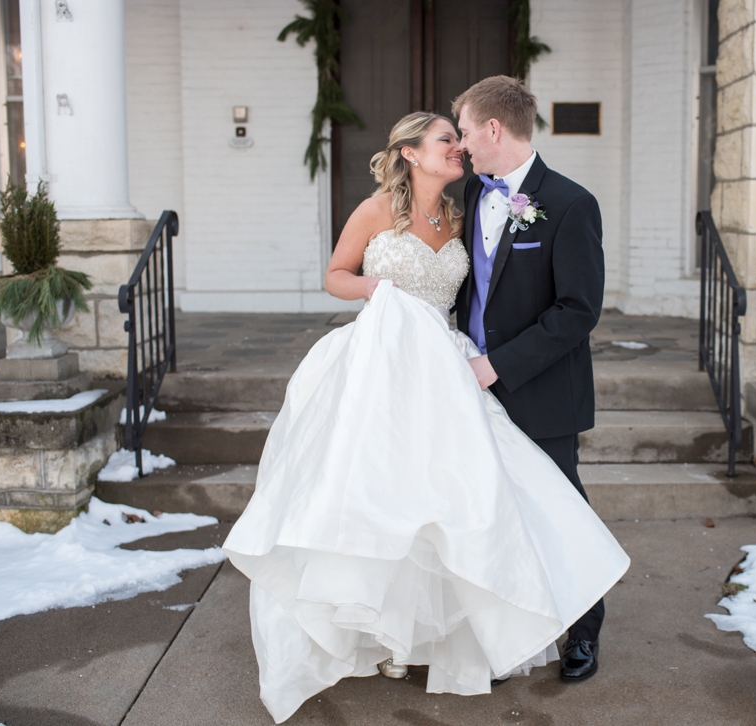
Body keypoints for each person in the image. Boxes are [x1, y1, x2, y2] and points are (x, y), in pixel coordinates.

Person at [222, 111, 628, 725]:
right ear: (410, 153)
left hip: (451, 363)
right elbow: (337, 275)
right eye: (446, 139)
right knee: (378, 491)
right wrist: (375, 291)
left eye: (461, 136)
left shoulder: (467, 209)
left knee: (468, 491)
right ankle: (382, 626)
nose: (459, 148)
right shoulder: (376, 210)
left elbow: (505, 290)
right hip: (383, 362)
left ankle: (553, 624)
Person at [453, 75, 609, 682]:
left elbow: (578, 310)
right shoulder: (469, 196)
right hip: (468, 387)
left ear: (494, 129)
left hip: (540, 390)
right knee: (489, 514)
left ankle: (583, 634)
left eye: (465, 132)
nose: (462, 145)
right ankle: (506, 632)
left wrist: (501, 365)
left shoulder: (571, 204)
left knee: (561, 514)